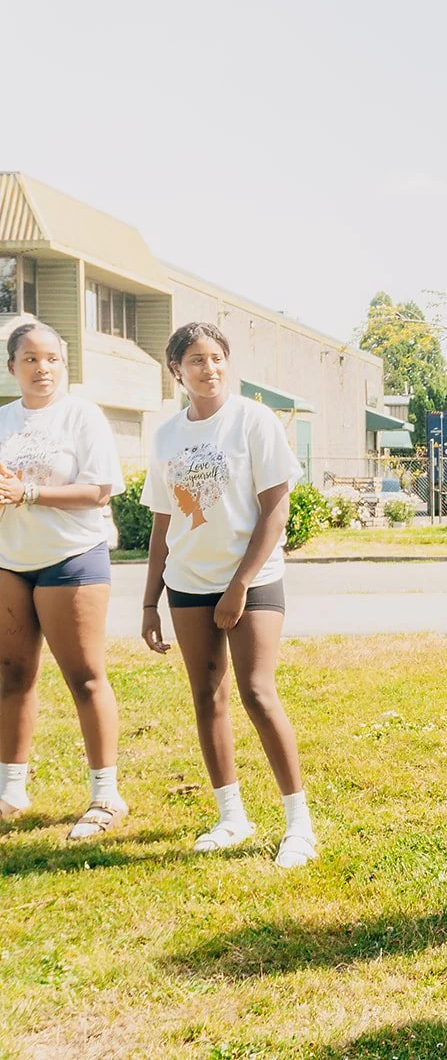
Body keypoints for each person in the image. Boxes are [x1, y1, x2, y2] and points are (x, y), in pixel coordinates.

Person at [139, 321, 318, 869]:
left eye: (216, 357)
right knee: (206, 696)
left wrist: (239, 585)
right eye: (196, 359)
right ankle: (231, 817)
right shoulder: (166, 436)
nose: (209, 368)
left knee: (257, 693)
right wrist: (149, 601)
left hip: (253, 579)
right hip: (188, 583)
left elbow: (276, 509)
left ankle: (299, 825)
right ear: (177, 370)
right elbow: (163, 523)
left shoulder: (253, 420)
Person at [0, 322, 129, 840]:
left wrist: (28, 494)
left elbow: (99, 489)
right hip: (9, 560)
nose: (42, 368)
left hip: (71, 556)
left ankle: (105, 795)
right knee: (11, 674)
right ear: (12, 367)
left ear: (63, 363)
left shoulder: (82, 415)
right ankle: (10, 791)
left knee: (85, 677)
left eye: (51, 358)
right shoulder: (3, 419)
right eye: (30, 359)